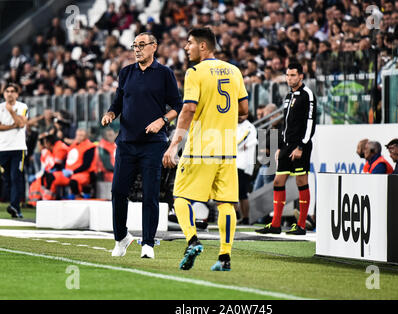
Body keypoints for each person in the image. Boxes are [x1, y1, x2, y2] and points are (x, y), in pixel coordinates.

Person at [162, 27, 249, 271]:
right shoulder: (234, 71)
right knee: (225, 204)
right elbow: (244, 110)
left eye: (189, 43)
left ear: (203, 46)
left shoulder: (196, 72)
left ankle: (192, 241)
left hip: (201, 148)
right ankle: (224, 257)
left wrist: (174, 145)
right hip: (227, 148)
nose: (186, 47)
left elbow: (188, 109)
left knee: (180, 197)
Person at [101, 32, 182, 260]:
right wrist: (110, 114)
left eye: (142, 45)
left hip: (153, 145)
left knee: (150, 194)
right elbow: (118, 101)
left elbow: (177, 105)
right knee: (118, 192)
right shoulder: (126, 72)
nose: (137, 49)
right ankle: (121, 238)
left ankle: (148, 243)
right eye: (135, 45)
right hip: (126, 142)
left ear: (154, 47)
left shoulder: (165, 73)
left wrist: (163, 120)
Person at [256, 61, 316, 236]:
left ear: (301, 76)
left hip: (300, 146)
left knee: (301, 182)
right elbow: (286, 124)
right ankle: (275, 224)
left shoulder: (307, 95)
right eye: (288, 75)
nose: (289, 79)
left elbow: (311, 123)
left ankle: (302, 226)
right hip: (286, 146)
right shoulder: (288, 96)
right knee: (277, 182)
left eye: (293, 75)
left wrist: (301, 146)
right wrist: (280, 146)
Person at [0, 83, 28, 218]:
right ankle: (13, 204)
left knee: (15, 178)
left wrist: (11, 111)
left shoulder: (22, 107)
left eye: (12, 91)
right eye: (7, 91)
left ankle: (15, 207)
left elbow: (22, 124)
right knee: (7, 179)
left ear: (17, 94)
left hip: (18, 148)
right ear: (4, 93)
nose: (10, 94)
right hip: (2, 148)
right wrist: (13, 125)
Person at [43, 129, 96, 200]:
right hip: (68, 173)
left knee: (73, 182)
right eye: (78, 135)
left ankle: (78, 198)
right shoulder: (73, 145)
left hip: (82, 174)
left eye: (81, 135)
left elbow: (86, 165)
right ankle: (49, 200)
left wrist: (73, 172)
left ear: (86, 136)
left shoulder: (89, 147)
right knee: (51, 177)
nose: (79, 137)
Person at [235, 113, 258, 225]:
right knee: (237, 192)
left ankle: (245, 218)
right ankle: (241, 217)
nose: (239, 116)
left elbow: (239, 144)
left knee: (242, 192)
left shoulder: (249, 127)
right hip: (235, 163)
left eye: (242, 114)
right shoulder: (234, 125)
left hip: (244, 165)